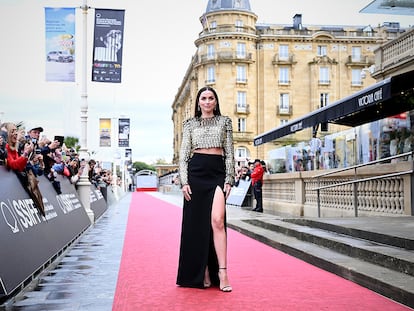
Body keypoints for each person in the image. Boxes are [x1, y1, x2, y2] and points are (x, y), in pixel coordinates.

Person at [177, 86, 234, 292]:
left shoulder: (225, 122)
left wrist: (229, 178)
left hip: (217, 172)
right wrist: (184, 181)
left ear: (216, 102)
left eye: (211, 98)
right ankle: (204, 272)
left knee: (217, 220)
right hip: (196, 171)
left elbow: (229, 152)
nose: (208, 101)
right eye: (204, 98)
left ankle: (223, 271)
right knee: (198, 225)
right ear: (198, 102)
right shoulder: (190, 124)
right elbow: (183, 155)